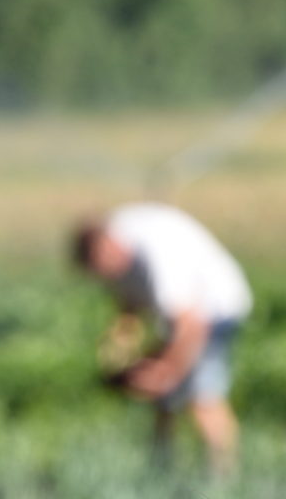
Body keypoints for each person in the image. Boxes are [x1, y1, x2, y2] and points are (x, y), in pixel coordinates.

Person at [72, 203, 252, 476]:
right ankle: (164, 470)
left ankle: (224, 477)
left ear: (106, 250)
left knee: (203, 395)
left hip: (216, 309)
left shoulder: (159, 257)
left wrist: (166, 372)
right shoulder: (120, 235)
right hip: (183, 317)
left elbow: (192, 324)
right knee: (165, 401)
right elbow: (129, 305)